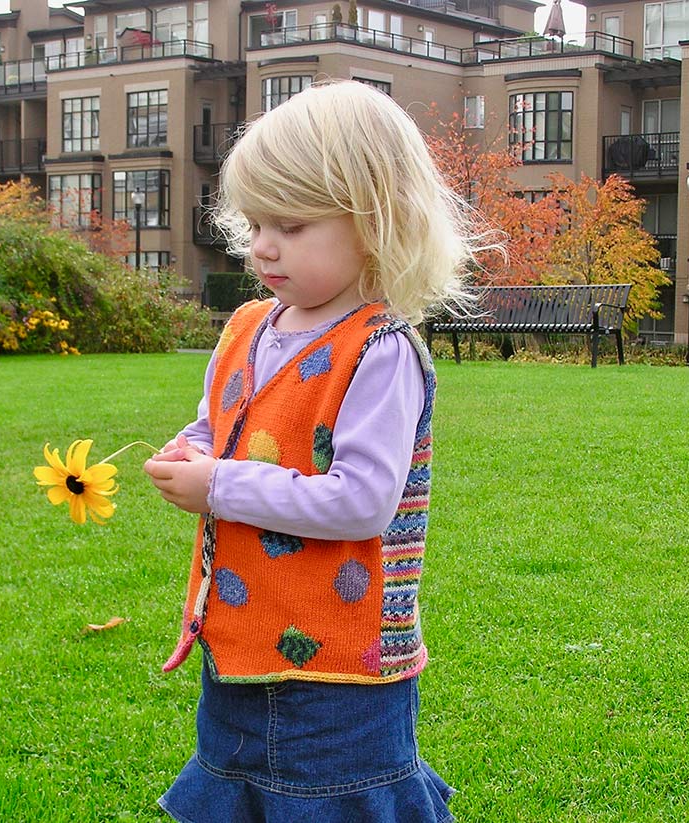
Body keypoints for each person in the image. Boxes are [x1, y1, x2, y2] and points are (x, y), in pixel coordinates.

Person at [143, 79, 478, 822]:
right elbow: (220, 425)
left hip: (341, 668)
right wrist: (189, 453)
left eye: (291, 224)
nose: (263, 245)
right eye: (256, 220)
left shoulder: (380, 352)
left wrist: (219, 485)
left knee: (326, 800)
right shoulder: (249, 327)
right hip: (239, 639)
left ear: (375, 222)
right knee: (245, 793)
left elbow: (362, 501)